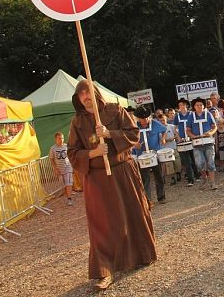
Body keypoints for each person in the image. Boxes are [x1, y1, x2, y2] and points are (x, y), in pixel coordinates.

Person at [67, 80, 156, 290]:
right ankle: (104, 271)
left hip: (122, 171)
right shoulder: (77, 123)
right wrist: (93, 153)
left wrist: (109, 134)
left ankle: (142, 254)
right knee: (102, 224)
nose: (85, 97)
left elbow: (134, 134)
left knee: (133, 213)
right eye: (81, 95)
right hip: (97, 179)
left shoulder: (116, 111)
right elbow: (72, 153)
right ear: (78, 99)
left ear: (96, 93)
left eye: (88, 93)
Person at [133, 106, 167, 206]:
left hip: (155, 154)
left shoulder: (155, 123)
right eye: (143, 118)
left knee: (159, 176)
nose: (146, 120)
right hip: (142, 156)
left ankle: (161, 197)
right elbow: (129, 136)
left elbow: (164, 130)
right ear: (138, 118)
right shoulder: (134, 126)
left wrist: (163, 139)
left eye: (147, 117)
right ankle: (148, 200)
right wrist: (135, 143)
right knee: (145, 178)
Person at [187, 97, 218, 189]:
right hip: (197, 144)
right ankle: (204, 177)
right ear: (194, 107)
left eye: (201, 105)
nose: (199, 106)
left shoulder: (208, 114)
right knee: (199, 164)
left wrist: (210, 133)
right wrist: (192, 136)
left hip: (208, 142)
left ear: (204, 106)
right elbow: (188, 130)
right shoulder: (191, 116)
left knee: (211, 163)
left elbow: (214, 126)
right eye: (197, 105)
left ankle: (212, 182)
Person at [174, 98, 201, 187]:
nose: (181, 107)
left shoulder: (191, 114)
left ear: (186, 105)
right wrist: (178, 137)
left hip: (191, 139)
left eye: (183, 105)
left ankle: (197, 175)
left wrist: (192, 135)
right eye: (180, 105)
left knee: (193, 159)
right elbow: (175, 129)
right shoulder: (177, 116)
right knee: (186, 161)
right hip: (182, 141)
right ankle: (190, 179)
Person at [49, 132, 74, 206]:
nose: (61, 140)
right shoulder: (53, 148)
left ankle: (69, 199)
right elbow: (51, 159)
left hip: (67, 167)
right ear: (55, 139)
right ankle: (66, 194)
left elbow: (71, 156)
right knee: (63, 185)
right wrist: (55, 168)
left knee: (68, 183)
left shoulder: (66, 146)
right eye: (59, 138)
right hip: (59, 169)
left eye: (62, 138)